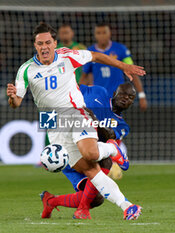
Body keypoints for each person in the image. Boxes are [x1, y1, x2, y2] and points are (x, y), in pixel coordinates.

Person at [6, 22, 145, 220]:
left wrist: (124, 66)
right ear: (35, 45)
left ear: (54, 43)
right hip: (52, 122)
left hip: (74, 112)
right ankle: (115, 161)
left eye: (47, 42)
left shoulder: (67, 55)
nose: (44, 47)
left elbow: (95, 56)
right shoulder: (26, 70)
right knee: (90, 169)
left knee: (91, 153)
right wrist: (12, 97)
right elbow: (16, 103)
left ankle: (127, 206)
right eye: (39, 44)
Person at [40, 83, 136, 219]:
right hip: (68, 144)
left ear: (132, 102)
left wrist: (92, 118)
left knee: (96, 198)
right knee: (106, 163)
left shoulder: (121, 125)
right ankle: (82, 209)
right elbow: (71, 87)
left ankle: (51, 201)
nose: (126, 98)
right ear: (115, 92)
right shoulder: (97, 92)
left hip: (88, 155)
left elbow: (110, 135)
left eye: (130, 97)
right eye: (123, 94)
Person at [80, 23, 148, 112]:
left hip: (118, 98)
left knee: (115, 123)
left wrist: (142, 95)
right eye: (98, 33)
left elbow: (132, 71)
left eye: (104, 32)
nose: (102, 36)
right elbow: (85, 76)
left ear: (109, 33)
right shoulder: (90, 52)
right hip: (98, 98)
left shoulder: (120, 49)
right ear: (95, 35)